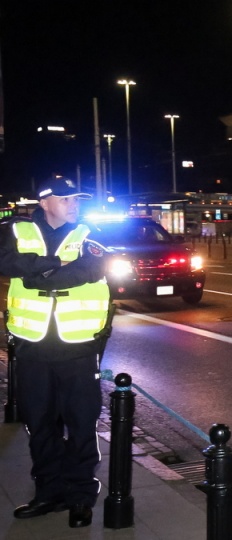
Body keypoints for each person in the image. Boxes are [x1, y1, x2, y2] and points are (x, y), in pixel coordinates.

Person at [0, 178, 112, 529]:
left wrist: (38, 272)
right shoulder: (15, 230)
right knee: (39, 424)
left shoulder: (89, 232)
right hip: (32, 346)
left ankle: (80, 496)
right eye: (65, 199)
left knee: (81, 424)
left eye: (76, 198)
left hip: (77, 347)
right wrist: (55, 268)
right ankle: (48, 491)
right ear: (45, 201)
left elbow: (90, 270)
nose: (73, 204)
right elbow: (8, 264)